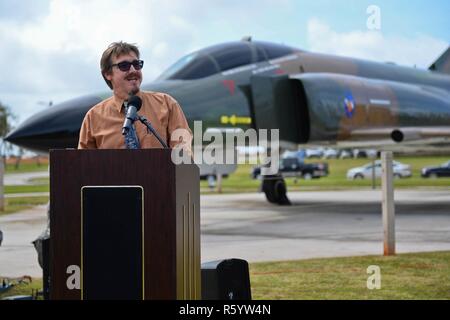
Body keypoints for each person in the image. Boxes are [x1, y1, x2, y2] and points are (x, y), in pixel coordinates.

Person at [78, 41, 192, 152]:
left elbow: (183, 156)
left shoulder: (167, 104)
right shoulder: (93, 118)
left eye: (136, 64)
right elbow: (83, 166)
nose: (133, 70)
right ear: (108, 74)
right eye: (124, 66)